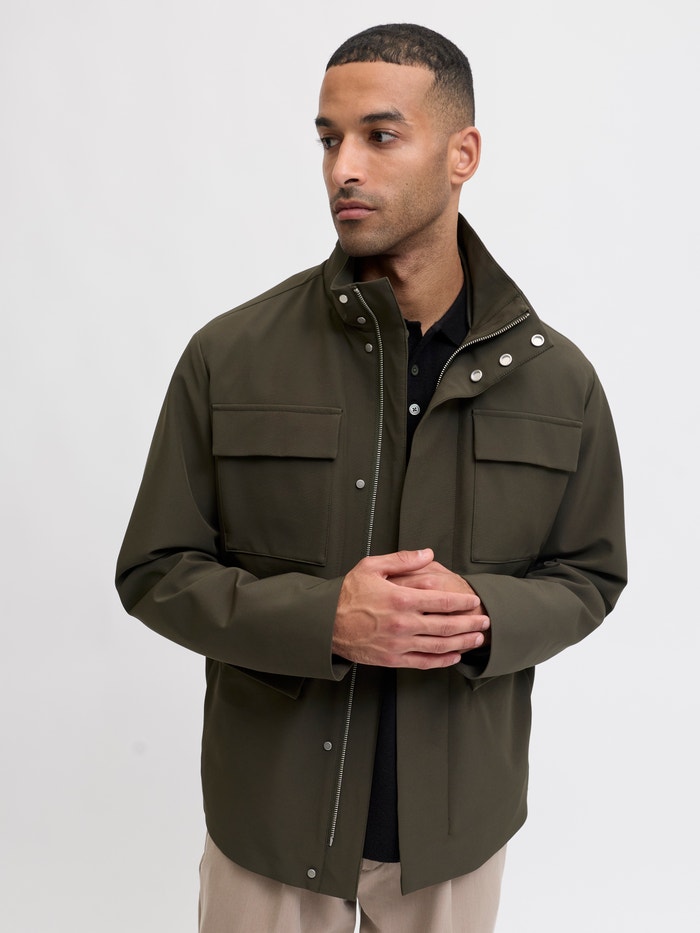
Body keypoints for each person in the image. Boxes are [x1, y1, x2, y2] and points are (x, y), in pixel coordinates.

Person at [116, 23, 627, 933]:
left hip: (454, 832)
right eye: (328, 139)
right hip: (270, 825)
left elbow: (590, 575)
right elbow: (155, 570)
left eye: (379, 136)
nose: (342, 168)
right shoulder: (229, 355)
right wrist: (326, 619)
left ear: (463, 154)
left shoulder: (559, 381)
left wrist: (485, 614)